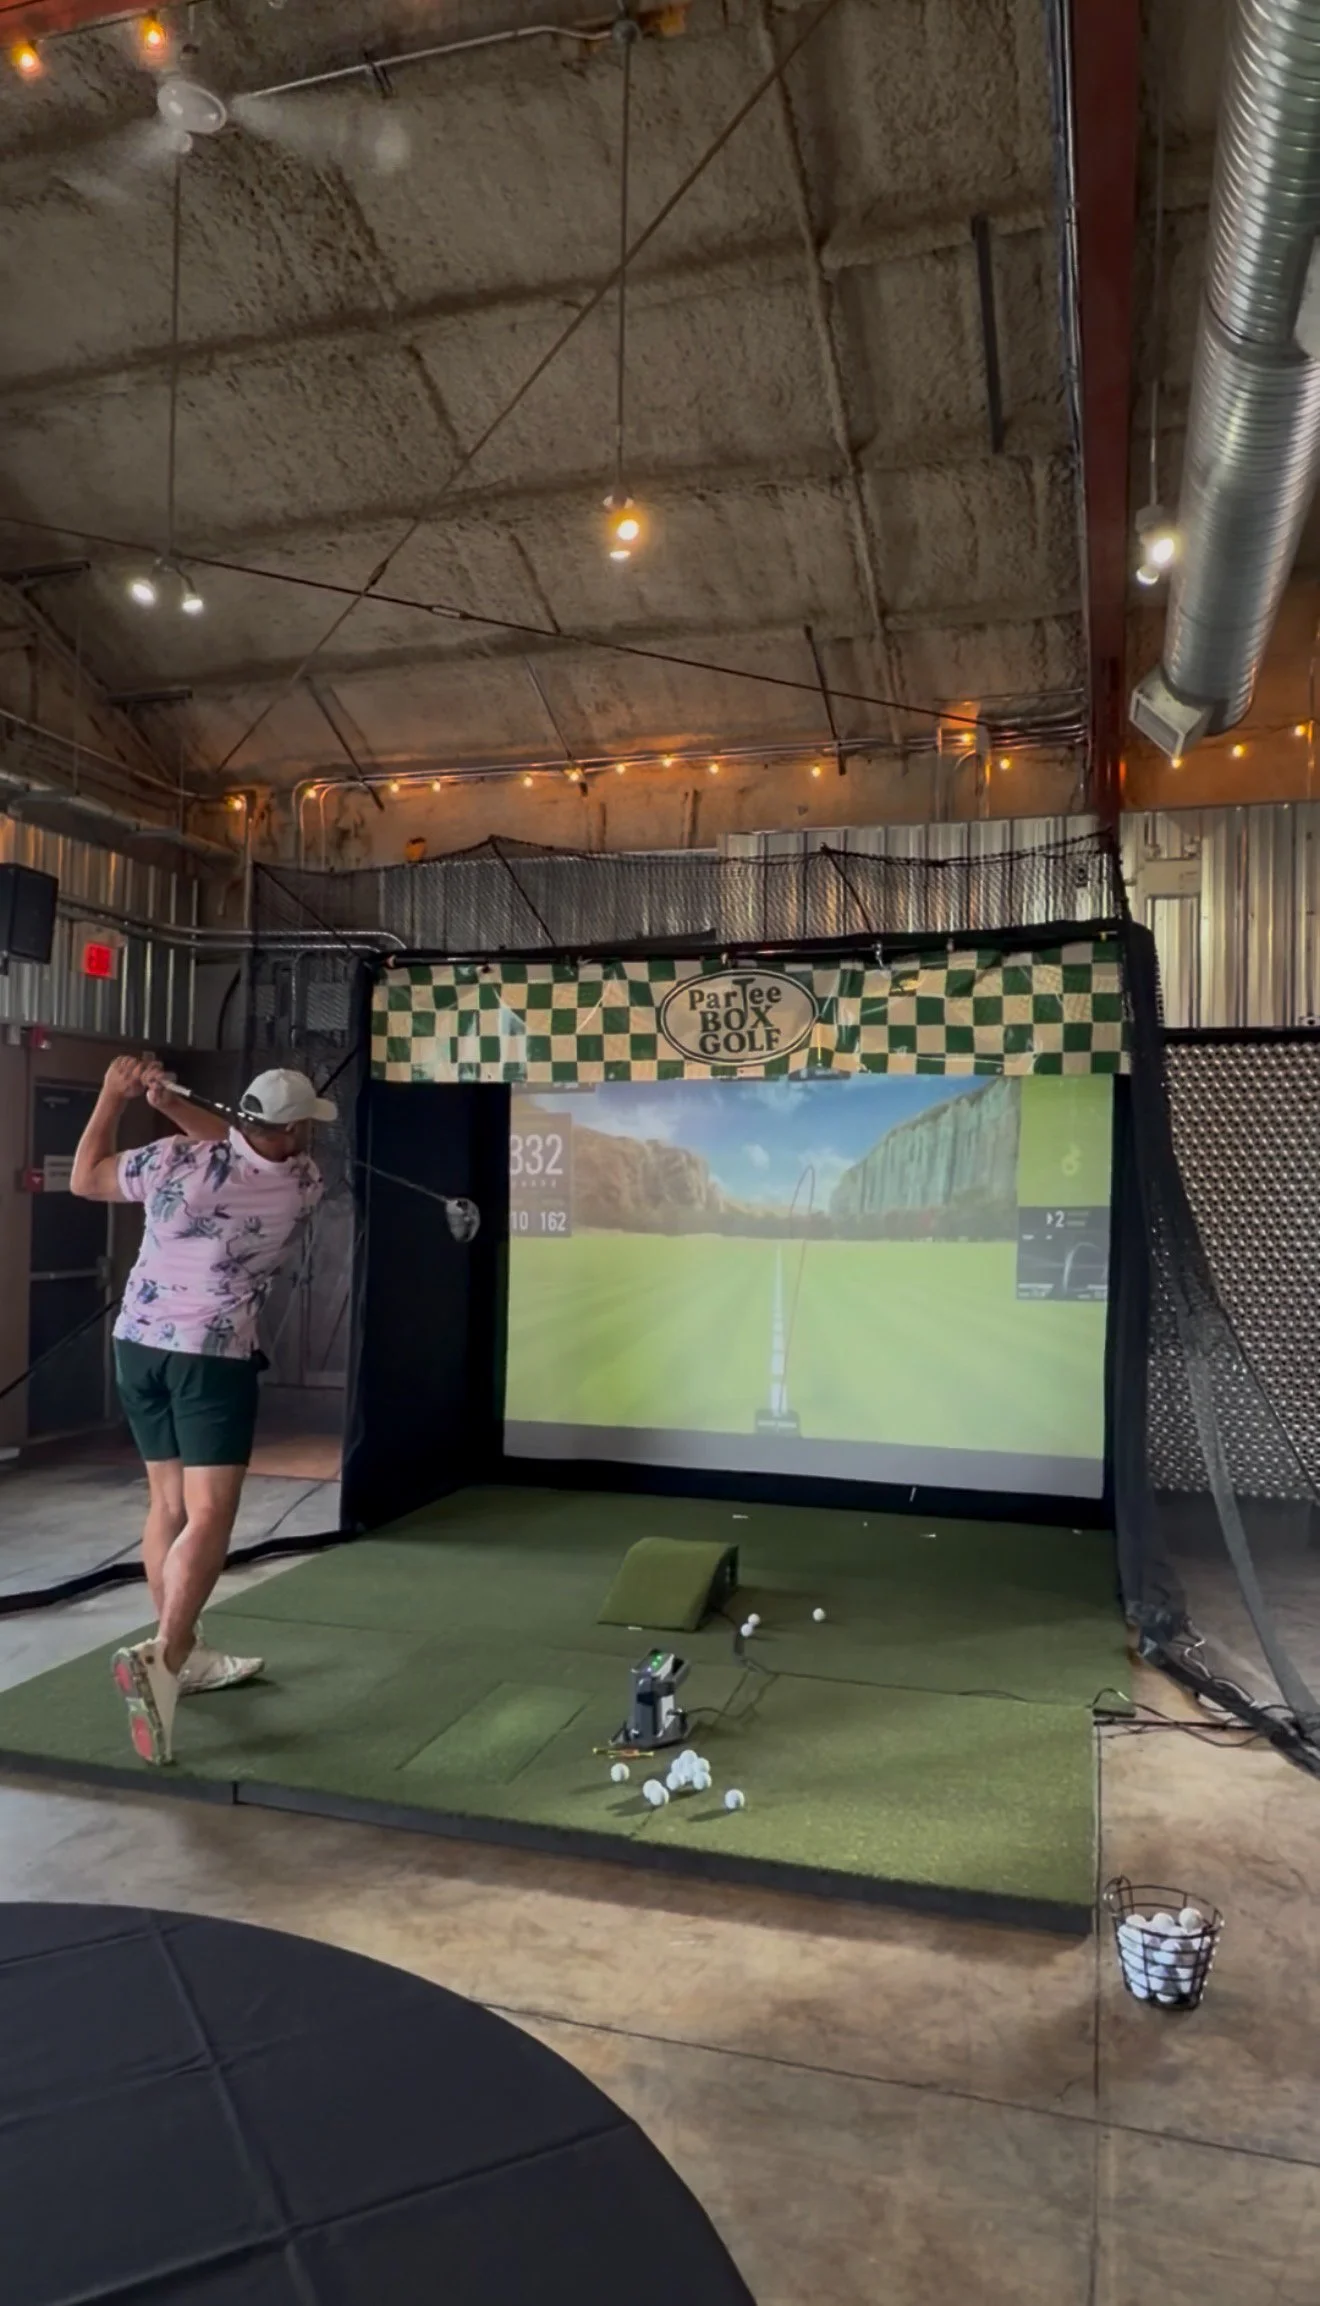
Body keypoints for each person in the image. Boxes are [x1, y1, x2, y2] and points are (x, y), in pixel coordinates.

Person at [70, 1056, 336, 1767]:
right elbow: (250, 1145)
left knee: (167, 1505)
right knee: (211, 1513)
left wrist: (115, 1096)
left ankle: (178, 1651)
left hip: (137, 1347)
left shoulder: (169, 1159)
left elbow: (85, 1175)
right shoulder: (301, 1183)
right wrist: (171, 1100)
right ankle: (170, 1653)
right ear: (296, 1129)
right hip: (210, 1356)